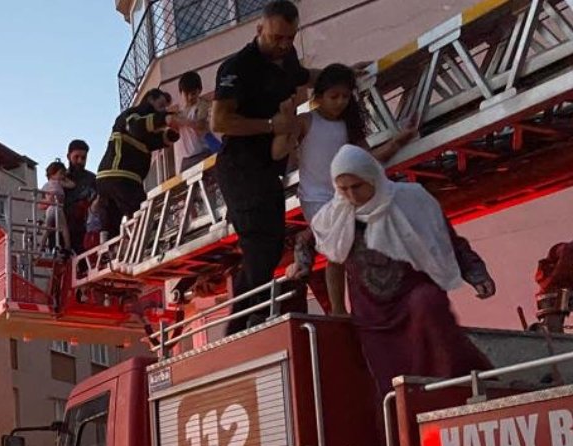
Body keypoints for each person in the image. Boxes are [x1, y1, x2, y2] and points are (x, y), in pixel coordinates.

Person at [287, 145, 495, 396]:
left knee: (430, 311)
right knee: (391, 382)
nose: (352, 195)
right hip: (372, 315)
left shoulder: (412, 200)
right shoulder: (337, 215)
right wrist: (301, 265)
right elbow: (307, 242)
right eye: (344, 189)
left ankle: (456, 396)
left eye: (357, 186)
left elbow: (446, 239)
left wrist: (475, 272)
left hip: (413, 297)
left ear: (372, 177)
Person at [212, 1, 365, 335]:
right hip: (241, 166)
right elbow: (219, 121)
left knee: (269, 244)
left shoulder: (287, 57)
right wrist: (271, 125)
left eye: (289, 38)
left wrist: (341, 78)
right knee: (260, 244)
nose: (283, 44)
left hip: (270, 166)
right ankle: (247, 325)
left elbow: (303, 77)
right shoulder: (238, 67)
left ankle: (243, 322)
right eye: (276, 37)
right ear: (259, 30)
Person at [273, 63, 417, 224]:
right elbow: (279, 152)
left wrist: (396, 143)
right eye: (334, 97)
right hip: (317, 201)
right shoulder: (306, 121)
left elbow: (366, 158)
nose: (340, 102)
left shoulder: (350, 124)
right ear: (319, 97)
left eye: (345, 96)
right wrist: (285, 119)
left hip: (349, 198)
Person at [97, 88, 180, 240]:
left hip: (108, 178)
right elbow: (136, 127)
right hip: (122, 177)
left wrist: (172, 134)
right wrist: (165, 119)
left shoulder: (143, 129)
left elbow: (152, 141)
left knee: (112, 222)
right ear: (150, 99)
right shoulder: (133, 114)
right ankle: (150, 241)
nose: (163, 110)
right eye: (161, 105)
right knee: (143, 212)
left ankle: (108, 246)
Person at [170, 72, 213, 173]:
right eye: (186, 94)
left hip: (202, 154)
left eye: (193, 93)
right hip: (186, 159)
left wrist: (181, 121)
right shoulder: (179, 113)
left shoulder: (202, 105)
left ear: (199, 91)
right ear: (181, 93)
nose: (190, 97)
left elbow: (200, 125)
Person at [65, 139, 97, 252]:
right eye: (76, 157)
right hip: (65, 230)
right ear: (68, 156)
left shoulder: (92, 179)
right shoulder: (60, 178)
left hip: (87, 230)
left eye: (83, 158)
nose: (80, 161)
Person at [40, 160, 75, 252]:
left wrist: (47, 201)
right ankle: (67, 247)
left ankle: (41, 246)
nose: (62, 176)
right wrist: (66, 178)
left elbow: (40, 199)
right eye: (61, 173)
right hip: (57, 207)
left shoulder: (46, 185)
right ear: (52, 174)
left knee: (47, 228)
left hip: (50, 208)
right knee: (64, 227)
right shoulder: (59, 182)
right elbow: (72, 185)